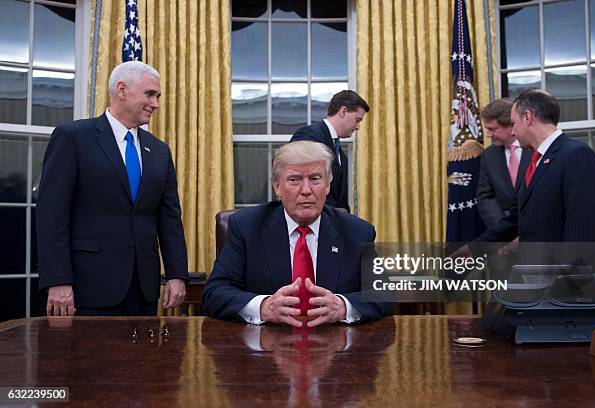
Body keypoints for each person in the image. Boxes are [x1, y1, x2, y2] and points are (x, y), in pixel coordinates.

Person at [36, 61, 189, 316]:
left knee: (144, 358)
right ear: (122, 89)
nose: (156, 104)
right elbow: (52, 215)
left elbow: (169, 218)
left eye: (158, 96)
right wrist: (57, 280)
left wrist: (176, 274)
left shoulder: (160, 151)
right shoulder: (73, 138)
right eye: (150, 94)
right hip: (88, 287)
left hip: (143, 288)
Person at [202, 141, 392, 327]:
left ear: (327, 186)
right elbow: (214, 293)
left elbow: (384, 293)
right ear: (277, 187)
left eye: (315, 179)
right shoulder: (247, 227)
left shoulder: (356, 232)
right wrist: (263, 307)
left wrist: (343, 307)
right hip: (265, 348)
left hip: (336, 348)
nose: (306, 190)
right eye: (294, 180)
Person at [474, 88, 595, 243]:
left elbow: (583, 232)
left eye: (514, 124)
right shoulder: (538, 160)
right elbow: (517, 218)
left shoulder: (577, 155)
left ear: (527, 118)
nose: (513, 132)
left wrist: (567, 268)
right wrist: (473, 249)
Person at [290, 90, 370, 212]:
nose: (358, 127)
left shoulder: (341, 155)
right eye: (357, 120)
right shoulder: (309, 136)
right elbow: (299, 184)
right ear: (343, 111)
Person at [477, 98, 532, 230]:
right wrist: (503, 230)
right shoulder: (488, 156)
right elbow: (486, 197)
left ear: (510, 125)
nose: (489, 135)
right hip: (503, 236)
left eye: (492, 129)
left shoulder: (535, 149)